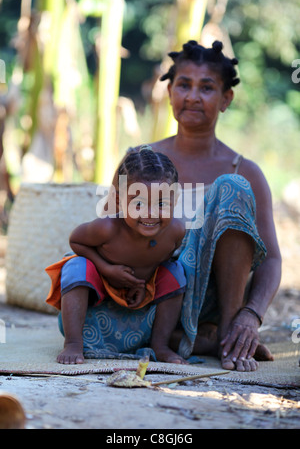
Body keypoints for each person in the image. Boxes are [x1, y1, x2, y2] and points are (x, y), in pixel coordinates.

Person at [106, 40, 282, 372]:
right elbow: (109, 232)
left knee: (231, 189)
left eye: (207, 88)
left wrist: (251, 314)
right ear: (169, 91)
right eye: (184, 85)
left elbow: (271, 259)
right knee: (77, 321)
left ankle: (230, 333)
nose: (192, 96)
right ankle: (187, 338)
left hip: (213, 304)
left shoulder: (243, 171)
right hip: (147, 296)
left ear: (226, 99)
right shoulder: (138, 162)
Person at [46, 147, 187, 365]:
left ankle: (161, 345)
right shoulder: (107, 228)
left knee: (175, 272)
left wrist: (143, 286)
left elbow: (160, 260)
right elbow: (75, 241)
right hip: (99, 302)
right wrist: (106, 269)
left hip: (138, 303)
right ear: (120, 201)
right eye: (138, 203)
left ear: (174, 200)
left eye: (161, 204)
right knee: (75, 267)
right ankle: (74, 344)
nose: (149, 213)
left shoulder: (175, 231)